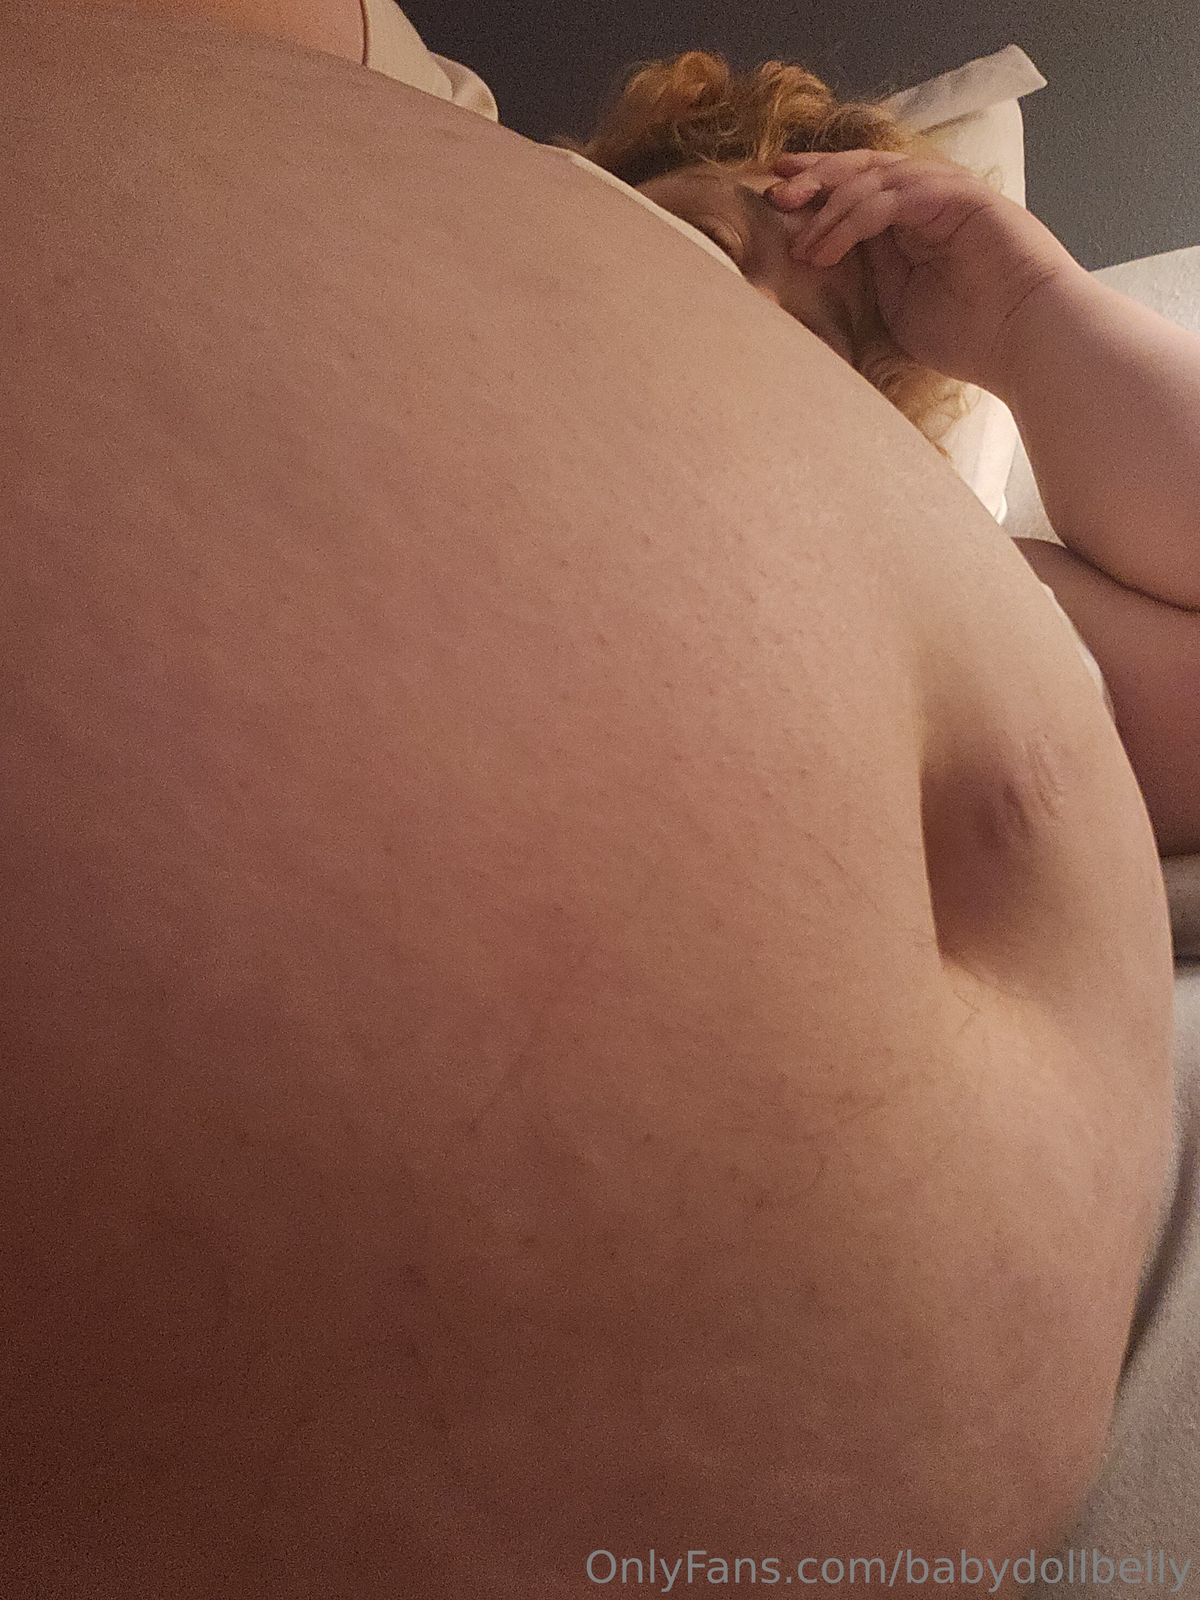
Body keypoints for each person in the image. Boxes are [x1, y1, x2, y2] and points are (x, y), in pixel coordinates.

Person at [0, 5, 1181, 1595]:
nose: (776, 292)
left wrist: (1029, 313)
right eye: (736, 228)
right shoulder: (433, 223)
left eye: (836, 324)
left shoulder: (947, 539)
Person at [551, 51, 1200, 859]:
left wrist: (1028, 309)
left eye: (814, 339)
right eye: (711, 240)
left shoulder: (945, 577)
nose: (753, 314)